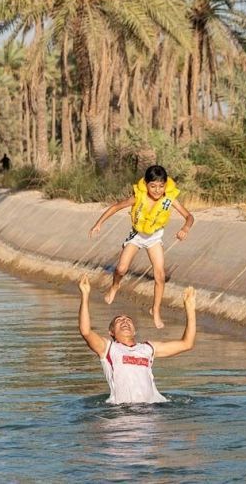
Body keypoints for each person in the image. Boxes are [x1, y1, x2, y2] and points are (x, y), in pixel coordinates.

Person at [89, 165, 194, 329]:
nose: (157, 190)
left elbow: (189, 216)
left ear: (166, 185)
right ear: (146, 184)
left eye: (161, 186)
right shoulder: (138, 197)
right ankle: (115, 286)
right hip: (137, 235)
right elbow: (116, 206)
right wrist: (98, 224)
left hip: (154, 237)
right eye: (153, 186)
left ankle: (156, 310)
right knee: (121, 269)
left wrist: (185, 228)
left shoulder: (170, 199)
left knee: (160, 276)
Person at [77, 274, 196, 404]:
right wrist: (85, 295)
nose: (125, 322)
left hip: (151, 411)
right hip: (122, 414)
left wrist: (190, 309)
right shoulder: (108, 349)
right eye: (119, 321)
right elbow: (86, 331)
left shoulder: (148, 348)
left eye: (128, 320)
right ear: (111, 332)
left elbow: (187, 344)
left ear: (135, 330)